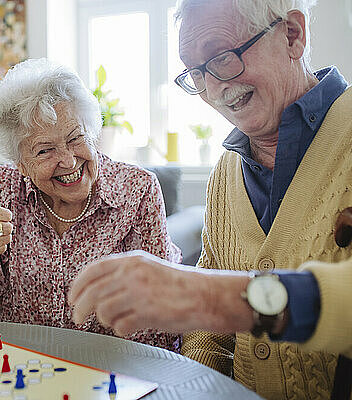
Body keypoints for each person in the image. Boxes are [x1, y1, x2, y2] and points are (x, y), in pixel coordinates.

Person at [69, 0, 352, 399]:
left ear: (292, 35)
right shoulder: (225, 174)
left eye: (222, 57)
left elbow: (211, 296)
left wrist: (214, 296)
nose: (214, 87)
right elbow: (209, 333)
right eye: (196, 73)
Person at [0, 58, 182, 352]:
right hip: (16, 369)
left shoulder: (137, 190)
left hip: (106, 372)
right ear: (21, 165)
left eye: (76, 139)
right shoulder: (4, 191)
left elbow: (160, 322)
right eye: (45, 150)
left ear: (92, 133)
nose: (68, 161)